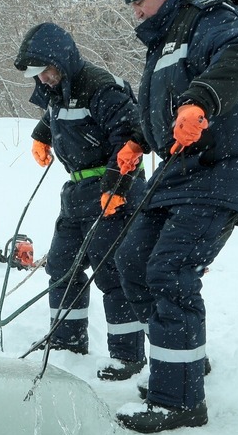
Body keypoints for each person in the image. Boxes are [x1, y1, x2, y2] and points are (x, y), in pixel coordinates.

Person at [106, 0, 238, 433]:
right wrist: (138, 140)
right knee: (130, 259)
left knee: (170, 269)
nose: (133, 7)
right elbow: (161, 107)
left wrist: (202, 100)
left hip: (223, 168)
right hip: (178, 175)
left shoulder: (208, 16)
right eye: (128, 0)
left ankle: (179, 402)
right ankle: (183, 362)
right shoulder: (162, 42)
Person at [14, 22, 148, 379]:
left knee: (112, 274)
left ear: (61, 59)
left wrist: (116, 186)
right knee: (62, 267)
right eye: (37, 75)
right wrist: (42, 134)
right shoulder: (58, 89)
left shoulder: (101, 88)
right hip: (76, 194)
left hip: (111, 191)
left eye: (45, 71)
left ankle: (128, 357)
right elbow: (56, 114)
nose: (42, 80)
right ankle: (67, 341)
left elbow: (129, 136)